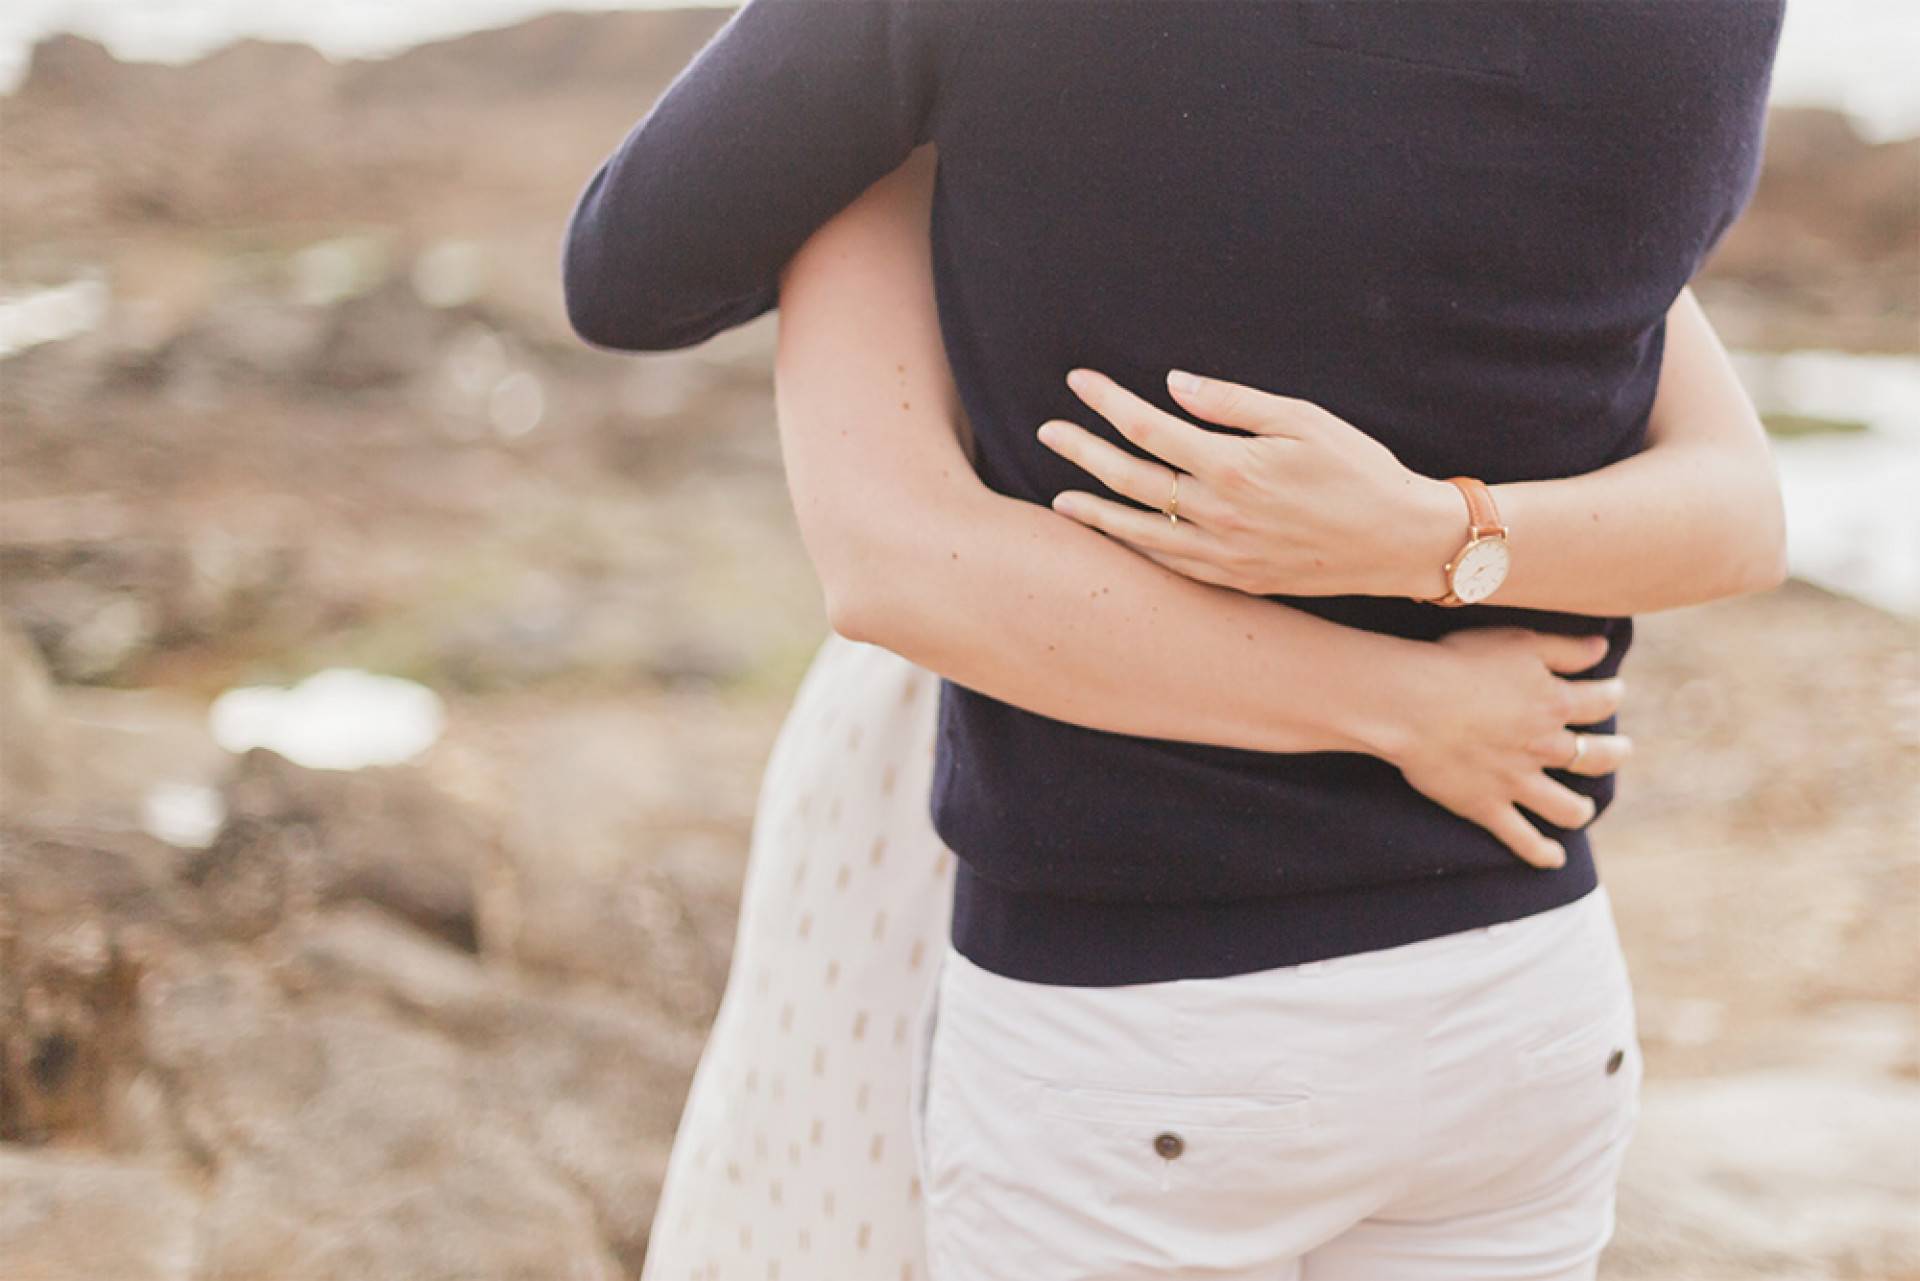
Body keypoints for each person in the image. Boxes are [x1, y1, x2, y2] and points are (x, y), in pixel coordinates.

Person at [566, 4, 1786, 1276]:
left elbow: (631, 271)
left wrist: (1408, 564)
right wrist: (1426, 584)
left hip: (1139, 1027)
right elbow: (1736, 502)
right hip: (1526, 987)